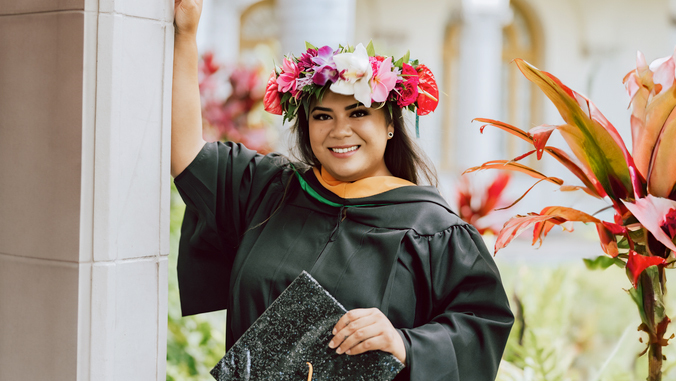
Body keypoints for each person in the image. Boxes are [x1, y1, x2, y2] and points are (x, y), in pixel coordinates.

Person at [172, 0, 514, 380]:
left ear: (389, 125)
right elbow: (185, 153)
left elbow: (482, 325)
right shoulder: (269, 189)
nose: (339, 131)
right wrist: (185, 35)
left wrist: (403, 343)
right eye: (322, 116)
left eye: (358, 112)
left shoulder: (433, 230)